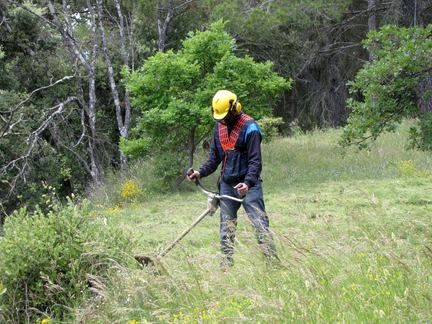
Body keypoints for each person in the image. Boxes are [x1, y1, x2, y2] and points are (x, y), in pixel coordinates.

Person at [187, 90, 277, 267]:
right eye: (219, 118)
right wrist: (200, 172)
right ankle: (226, 267)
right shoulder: (219, 127)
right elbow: (214, 158)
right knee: (226, 228)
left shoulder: (251, 128)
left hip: (249, 186)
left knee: (260, 224)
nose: (222, 121)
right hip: (227, 185)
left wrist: (248, 183)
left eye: (225, 117)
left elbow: (255, 161)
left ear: (235, 109)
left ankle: (272, 264)